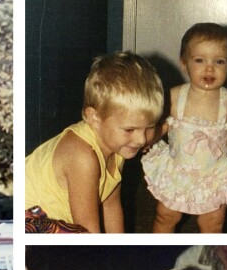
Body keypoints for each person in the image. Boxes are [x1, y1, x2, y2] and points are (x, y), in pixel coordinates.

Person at [142, 22, 227, 233]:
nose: (209, 68)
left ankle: (211, 255)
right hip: (178, 171)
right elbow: (163, 127)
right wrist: (147, 139)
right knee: (166, 215)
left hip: (214, 175)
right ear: (184, 64)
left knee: (212, 222)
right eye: (199, 60)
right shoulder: (175, 97)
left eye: (219, 61)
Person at [25, 51, 163, 233]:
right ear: (95, 117)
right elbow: (87, 231)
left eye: (149, 127)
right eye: (130, 130)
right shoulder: (82, 156)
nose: (141, 139)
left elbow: (111, 204)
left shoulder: (117, 147)